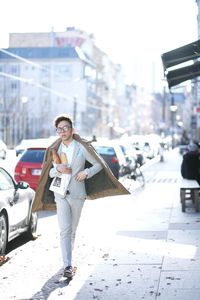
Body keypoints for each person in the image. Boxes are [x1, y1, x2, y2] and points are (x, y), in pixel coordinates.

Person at [32, 114, 130, 278]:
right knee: (64, 230)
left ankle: (68, 259)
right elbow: (47, 173)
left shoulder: (81, 147)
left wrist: (86, 172)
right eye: (59, 129)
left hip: (77, 193)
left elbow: (99, 164)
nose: (62, 131)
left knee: (72, 230)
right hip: (60, 193)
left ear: (72, 130)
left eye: (65, 128)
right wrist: (58, 170)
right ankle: (68, 265)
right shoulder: (54, 149)